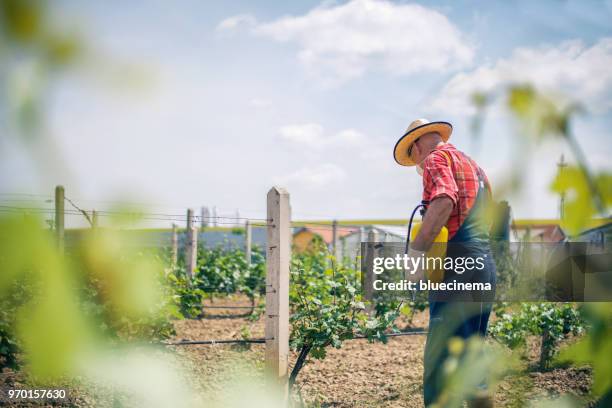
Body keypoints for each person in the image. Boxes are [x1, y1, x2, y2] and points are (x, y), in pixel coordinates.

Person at [393, 118, 497, 407]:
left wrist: (415, 252)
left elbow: (443, 200)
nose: (417, 163)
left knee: (440, 361)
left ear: (416, 145)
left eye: (413, 155)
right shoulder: (475, 167)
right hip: (483, 266)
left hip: (457, 268)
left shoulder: (435, 159)